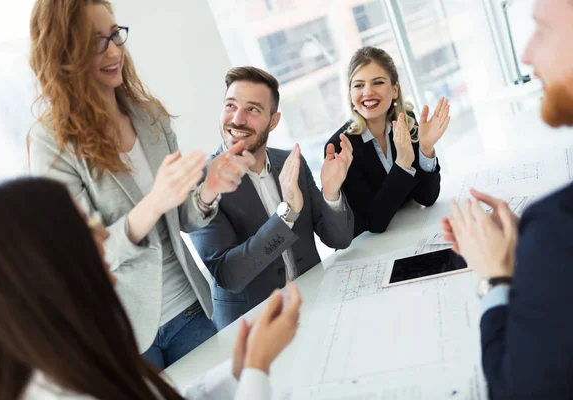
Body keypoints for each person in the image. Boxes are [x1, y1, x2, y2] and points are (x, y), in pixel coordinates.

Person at [27, 0, 255, 369]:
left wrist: (208, 190)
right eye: (95, 41)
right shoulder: (51, 143)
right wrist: (153, 203)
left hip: (189, 310)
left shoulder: (148, 116)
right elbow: (81, 255)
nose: (114, 49)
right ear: (62, 53)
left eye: (115, 34)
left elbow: (182, 220)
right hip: (124, 335)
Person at [0, 177, 301, 400]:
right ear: (43, 266)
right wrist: (256, 368)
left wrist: (238, 370)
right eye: (84, 228)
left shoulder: (75, 353)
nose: (104, 236)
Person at [443, 0, 573, 397]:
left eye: (543, 30)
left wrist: (497, 276)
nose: (526, 54)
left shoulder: (557, 226)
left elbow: (516, 389)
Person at [190, 67, 355, 330]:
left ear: (273, 121)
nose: (237, 119)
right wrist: (286, 214)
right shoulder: (203, 184)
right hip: (253, 329)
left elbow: (340, 239)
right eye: (230, 106)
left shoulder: (290, 163)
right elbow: (229, 275)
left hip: (313, 307)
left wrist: (331, 191)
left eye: (252, 109)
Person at [326, 46, 450, 236]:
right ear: (350, 94)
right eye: (358, 85)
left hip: (408, 234)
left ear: (394, 90)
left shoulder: (406, 121)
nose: (367, 92)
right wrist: (402, 163)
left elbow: (427, 197)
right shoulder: (341, 146)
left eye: (377, 82)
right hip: (368, 249)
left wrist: (425, 148)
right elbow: (374, 222)